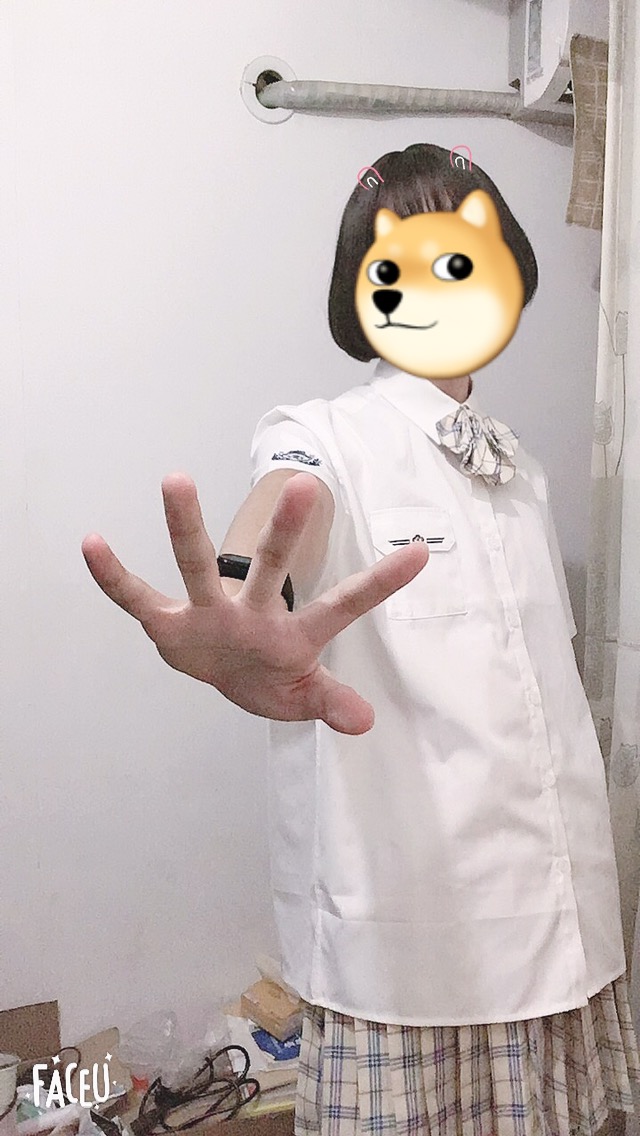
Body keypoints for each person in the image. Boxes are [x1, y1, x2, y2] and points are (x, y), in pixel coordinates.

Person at [82, 143, 640, 1136]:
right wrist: (245, 589)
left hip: (559, 926)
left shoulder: (520, 470)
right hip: (410, 948)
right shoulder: (325, 432)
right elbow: (290, 500)